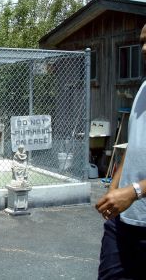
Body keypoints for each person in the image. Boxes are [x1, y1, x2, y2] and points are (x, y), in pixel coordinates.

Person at [95, 23, 146, 280]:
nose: (145, 48)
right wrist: (114, 186)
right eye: (142, 42)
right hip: (123, 223)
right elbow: (132, 144)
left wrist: (135, 191)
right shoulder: (143, 89)